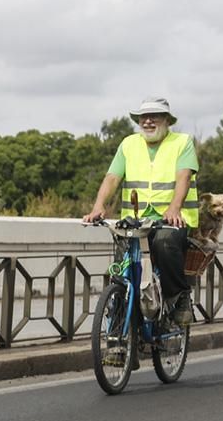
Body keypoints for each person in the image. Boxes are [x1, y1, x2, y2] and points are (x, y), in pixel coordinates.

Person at [83, 97, 199, 324]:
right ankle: (118, 337)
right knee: (122, 270)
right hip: (134, 221)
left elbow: (184, 177)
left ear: (167, 120)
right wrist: (99, 206)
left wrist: (174, 208)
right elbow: (112, 177)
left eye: (154, 116)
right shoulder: (128, 144)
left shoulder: (182, 142)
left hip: (172, 220)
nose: (147, 121)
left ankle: (180, 297)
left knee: (164, 243)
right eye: (143, 118)